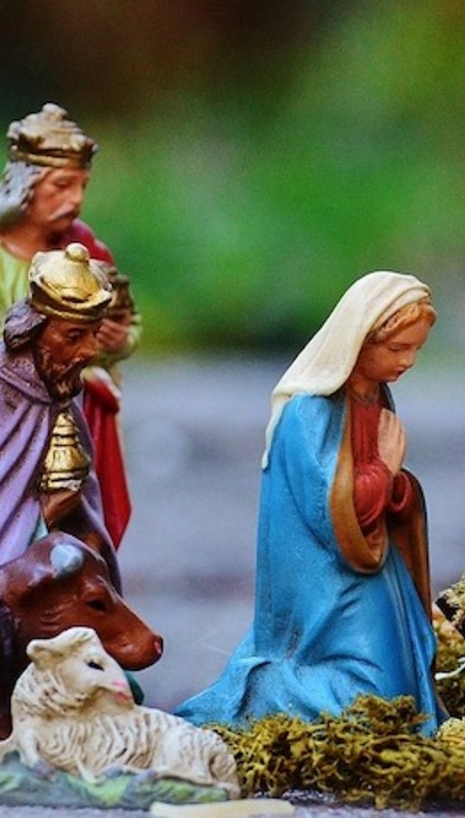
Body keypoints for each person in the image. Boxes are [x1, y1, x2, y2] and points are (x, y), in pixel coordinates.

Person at [175, 272, 442, 735]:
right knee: (375, 697)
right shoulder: (310, 411)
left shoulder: (375, 395)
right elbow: (330, 510)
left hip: (368, 561)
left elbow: (379, 494)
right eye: (398, 348)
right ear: (360, 340)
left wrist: (397, 488)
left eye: (416, 348)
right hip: (323, 574)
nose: (409, 361)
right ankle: (264, 686)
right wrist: (384, 470)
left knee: (405, 676)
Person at [0, 103, 140, 545]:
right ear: (24, 186)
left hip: (85, 415)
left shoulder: (86, 252)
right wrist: (35, 336)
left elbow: (126, 324)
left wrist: (119, 337)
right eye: (61, 185)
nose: (76, 199)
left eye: (82, 185)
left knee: (88, 525)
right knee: (12, 529)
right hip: (8, 422)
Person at [0, 243, 118, 585]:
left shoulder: (59, 384)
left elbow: (84, 499)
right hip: (9, 583)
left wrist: (79, 522)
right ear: (36, 329)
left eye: (94, 334)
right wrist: (46, 515)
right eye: (74, 336)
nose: (90, 351)